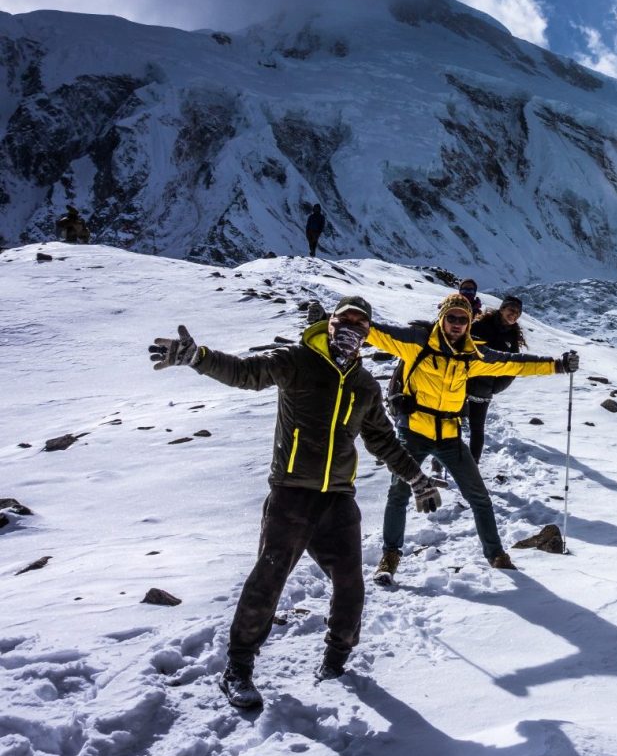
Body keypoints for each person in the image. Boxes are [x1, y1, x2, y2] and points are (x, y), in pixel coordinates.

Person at [148, 296, 442, 710]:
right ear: (330, 323)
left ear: (367, 333)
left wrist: (417, 479)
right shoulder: (297, 360)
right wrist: (199, 358)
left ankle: (335, 663)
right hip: (291, 494)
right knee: (267, 581)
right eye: (344, 319)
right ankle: (238, 669)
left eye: (360, 323)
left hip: (338, 498)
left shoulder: (364, 385)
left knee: (351, 586)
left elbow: (382, 440)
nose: (351, 327)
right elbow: (246, 373)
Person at [367, 293, 579, 583]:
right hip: (414, 431)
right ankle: (390, 555)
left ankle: (496, 554)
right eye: (451, 317)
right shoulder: (417, 342)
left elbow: (514, 363)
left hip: (450, 436)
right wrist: (328, 323)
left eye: (463, 319)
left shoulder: (474, 354)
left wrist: (557, 365)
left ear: (469, 323)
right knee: (399, 493)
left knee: (479, 497)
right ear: (442, 318)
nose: (456, 323)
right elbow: (370, 330)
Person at [467, 295, 526, 463]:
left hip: (484, 388)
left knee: (477, 428)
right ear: (502, 309)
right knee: (450, 424)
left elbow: (513, 366)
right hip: (461, 383)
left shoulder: (512, 336)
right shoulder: (479, 325)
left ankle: (472, 468)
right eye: (511, 310)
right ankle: (439, 465)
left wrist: (496, 386)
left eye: (518, 313)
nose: (514, 314)